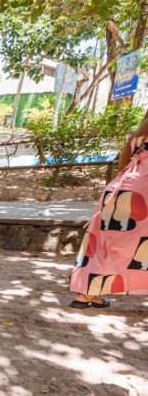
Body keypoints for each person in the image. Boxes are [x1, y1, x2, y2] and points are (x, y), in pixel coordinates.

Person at [70, 109, 148, 309]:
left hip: (118, 187)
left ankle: (86, 294)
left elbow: (123, 159)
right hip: (144, 191)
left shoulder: (141, 130)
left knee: (101, 244)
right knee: (138, 246)